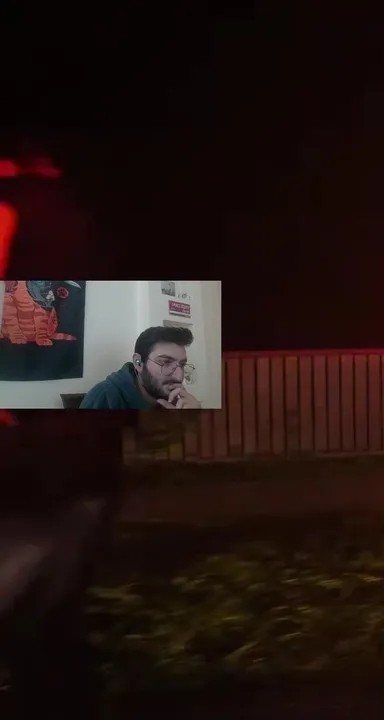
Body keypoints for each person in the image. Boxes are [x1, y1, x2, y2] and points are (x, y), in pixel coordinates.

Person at [0, 139, 129, 720]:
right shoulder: (81, 215)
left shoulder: (14, 207)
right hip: (84, 425)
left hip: (33, 431)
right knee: (56, 597)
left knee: (32, 558)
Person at [80, 325, 202, 409]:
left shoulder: (179, 400)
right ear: (138, 363)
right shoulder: (104, 398)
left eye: (182, 364)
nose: (179, 376)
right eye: (165, 362)